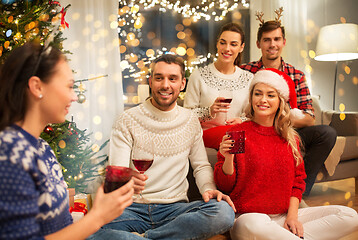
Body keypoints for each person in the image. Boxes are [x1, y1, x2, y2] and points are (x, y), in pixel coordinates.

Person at [89, 54, 235, 240]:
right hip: (132, 210)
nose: (165, 85)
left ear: (182, 84)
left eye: (172, 79)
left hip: (175, 211)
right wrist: (125, 182)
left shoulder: (190, 121)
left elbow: (201, 166)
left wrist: (208, 189)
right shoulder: (128, 120)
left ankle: (145, 238)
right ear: (151, 81)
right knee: (90, 230)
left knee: (223, 212)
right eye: (159, 78)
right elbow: (116, 172)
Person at [0, 42, 134, 239]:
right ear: (37, 86)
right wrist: (97, 217)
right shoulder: (9, 151)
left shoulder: (41, 147)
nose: (74, 97)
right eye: (69, 86)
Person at [214, 68, 358, 240]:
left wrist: (292, 217)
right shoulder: (237, 132)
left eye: (271, 95)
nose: (263, 100)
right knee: (251, 225)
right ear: (251, 98)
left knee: (349, 215)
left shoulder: (290, 137)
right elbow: (224, 186)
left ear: (280, 101)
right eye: (258, 94)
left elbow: (298, 182)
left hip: (282, 217)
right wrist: (228, 158)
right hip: (248, 218)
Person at [240, 15, 337, 196]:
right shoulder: (245, 72)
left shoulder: (296, 75)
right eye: (267, 40)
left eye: (276, 39)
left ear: (283, 42)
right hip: (255, 132)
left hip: (288, 130)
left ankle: (298, 194)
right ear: (258, 43)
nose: (272, 44)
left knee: (327, 133)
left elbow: (309, 118)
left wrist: (278, 117)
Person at [184, 22, 254, 146]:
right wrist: (209, 111)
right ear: (217, 44)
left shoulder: (249, 78)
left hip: (237, 140)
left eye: (233, 44)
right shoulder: (199, 76)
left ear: (241, 47)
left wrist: (240, 120)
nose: (227, 48)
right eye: (223, 43)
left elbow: (253, 116)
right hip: (205, 141)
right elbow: (186, 115)